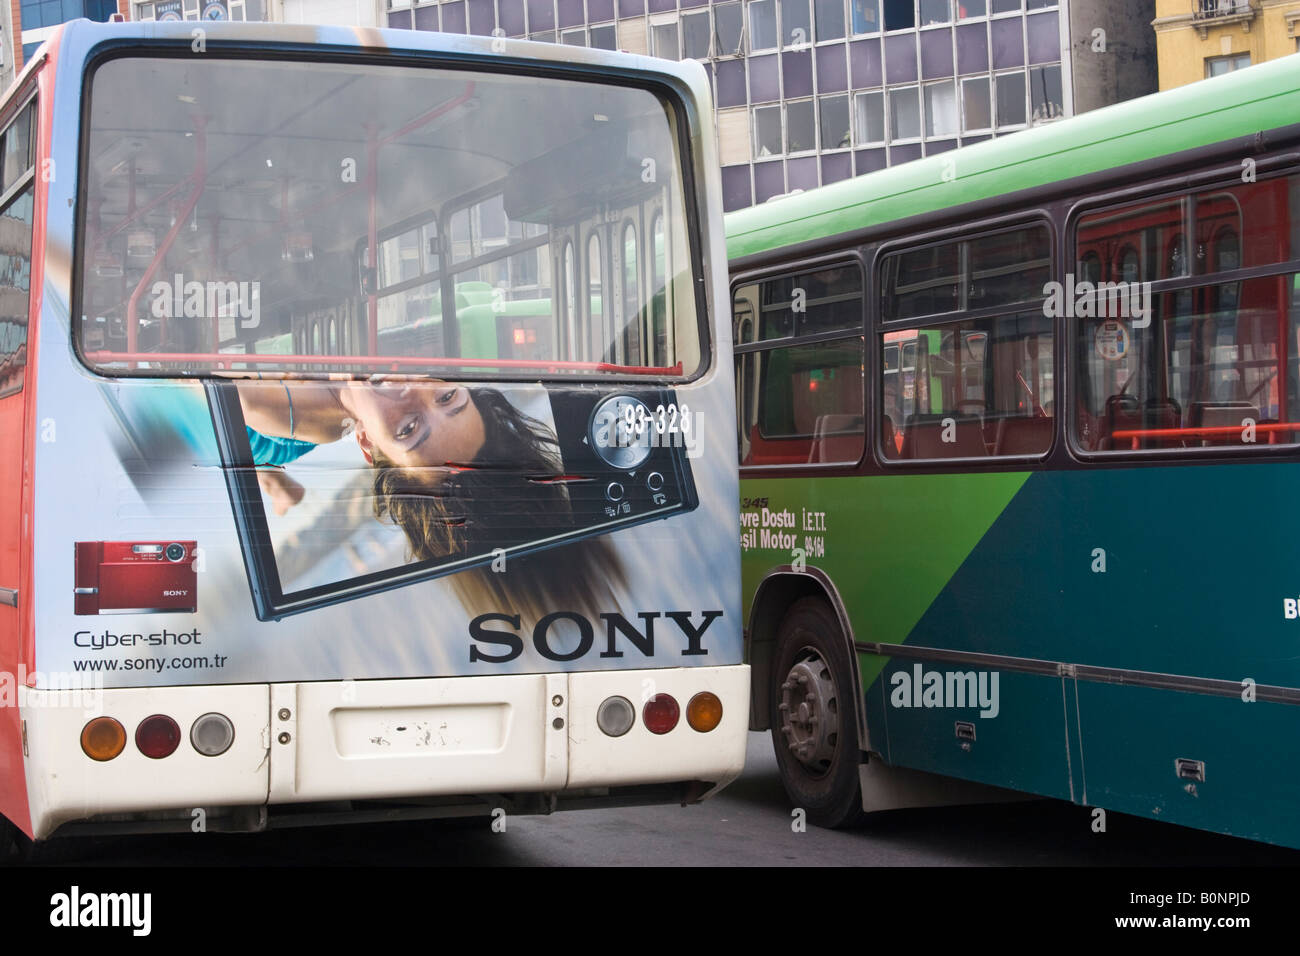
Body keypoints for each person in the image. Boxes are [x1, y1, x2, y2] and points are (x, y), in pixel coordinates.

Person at [236, 376, 626, 622]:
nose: (412, 387)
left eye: (408, 429)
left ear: (367, 443)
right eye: (446, 396)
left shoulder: (261, 402)